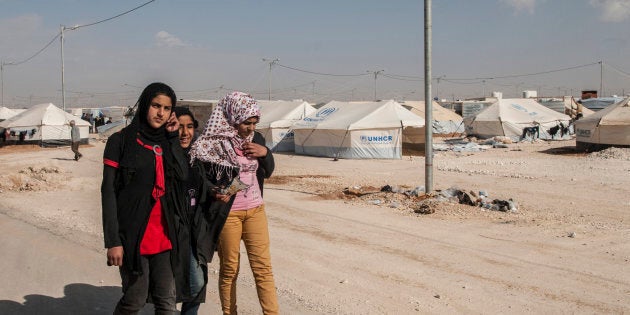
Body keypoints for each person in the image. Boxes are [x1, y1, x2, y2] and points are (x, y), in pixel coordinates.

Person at [101, 82, 187, 315]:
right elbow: (108, 192)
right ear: (144, 105)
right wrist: (113, 241)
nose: (161, 113)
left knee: (167, 303)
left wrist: (172, 139)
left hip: (165, 237)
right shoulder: (120, 141)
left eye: (167, 108)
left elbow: (183, 175)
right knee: (134, 301)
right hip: (133, 236)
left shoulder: (167, 142)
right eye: (155, 105)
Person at [189, 91, 278, 315]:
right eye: (246, 123)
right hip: (229, 214)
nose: (250, 128)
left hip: (255, 210)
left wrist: (265, 152)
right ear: (232, 118)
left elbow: (268, 171)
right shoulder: (212, 143)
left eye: (255, 123)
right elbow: (201, 178)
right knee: (230, 269)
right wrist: (214, 191)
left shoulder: (256, 140)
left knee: (263, 269)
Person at [174, 107, 231, 314]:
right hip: (172, 228)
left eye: (189, 127)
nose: (185, 132)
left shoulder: (197, 155)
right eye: (179, 127)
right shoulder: (165, 157)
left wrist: (215, 192)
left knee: (197, 283)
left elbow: (202, 183)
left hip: (195, 227)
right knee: (172, 285)